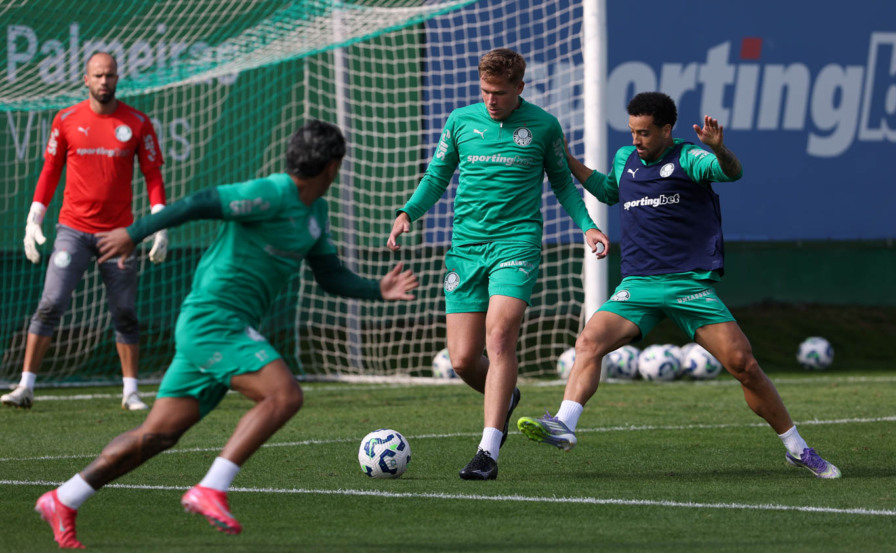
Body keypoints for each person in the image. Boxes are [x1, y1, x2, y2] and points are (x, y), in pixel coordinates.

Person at [34, 119, 420, 549]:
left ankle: (64, 499)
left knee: (158, 435)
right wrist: (133, 233)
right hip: (213, 321)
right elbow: (201, 202)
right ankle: (211, 488)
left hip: (221, 328)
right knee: (285, 395)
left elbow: (328, 275)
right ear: (333, 167)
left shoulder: (315, 213)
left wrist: (376, 289)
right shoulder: (272, 193)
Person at [517, 92, 841, 479]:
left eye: (645, 132)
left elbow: (731, 173)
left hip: (689, 285)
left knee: (745, 366)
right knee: (589, 342)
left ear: (667, 129)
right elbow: (608, 191)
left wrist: (720, 150)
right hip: (638, 285)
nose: (636, 140)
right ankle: (564, 424)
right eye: (632, 131)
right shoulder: (626, 158)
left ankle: (797, 448)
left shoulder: (690, 158)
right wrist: (568, 160)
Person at [387, 48, 609, 481]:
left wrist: (588, 226)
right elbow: (435, 178)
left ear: (520, 88)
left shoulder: (544, 126)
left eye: (501, 93)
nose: (491, 100)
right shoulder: (459, 121)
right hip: (465, 250)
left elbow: (563, 183)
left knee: (500, 336)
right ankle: (506, 397)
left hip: (516, 244)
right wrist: (406, 214)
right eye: (485, 90)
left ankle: (487, 452)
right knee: (464, 359)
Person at [3, 52, 168, 411]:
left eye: (109, 75)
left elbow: (153, 175)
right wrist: (34, 218)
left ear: (118, 78)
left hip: (119, 234)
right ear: (86, 79)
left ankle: (131, 392)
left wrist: (159, 223)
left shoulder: (138, 123)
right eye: (98, 75)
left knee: (125, 311)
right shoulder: (65, 119)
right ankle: (25, 387)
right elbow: (50, 170)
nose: (104, 81)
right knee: (50, 304)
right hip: (72, 231)